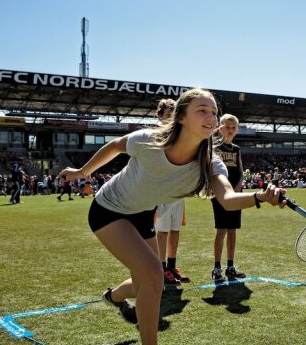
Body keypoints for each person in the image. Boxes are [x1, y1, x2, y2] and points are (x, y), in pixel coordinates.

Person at [59, 88, 285, 345]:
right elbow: (115, 146)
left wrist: (261, 196)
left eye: (213, 112)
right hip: (109, 210)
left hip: (143, 214)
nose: (211, 117)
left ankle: (114, 297)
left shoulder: (211, 162)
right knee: (154, 275)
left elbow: (228, 200)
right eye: (202, 110)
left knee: (149, 280)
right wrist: (81, 171)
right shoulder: (149, 140)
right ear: (181, 117)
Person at [154, 98, 190, 286]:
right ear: (160, 116)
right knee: (162, 232)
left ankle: (171, 267)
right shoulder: (156, 136)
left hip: (179, 192)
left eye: (174, 116)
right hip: (162, 192)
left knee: (175, 230)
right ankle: (160, 270)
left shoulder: (180, 136)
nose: (171, 120)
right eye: (168, 115)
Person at [211, 113, 247, 281]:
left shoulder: (236, 149)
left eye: (234, 127)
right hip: (219, 195)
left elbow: (240, 172)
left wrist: (238, 187)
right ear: (220, 128)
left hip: (235, 194)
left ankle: (230, 266)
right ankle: (217, 268)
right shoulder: (214, 147)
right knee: (221, 230)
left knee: (232, 230)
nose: (230, 130)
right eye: (227, 127)